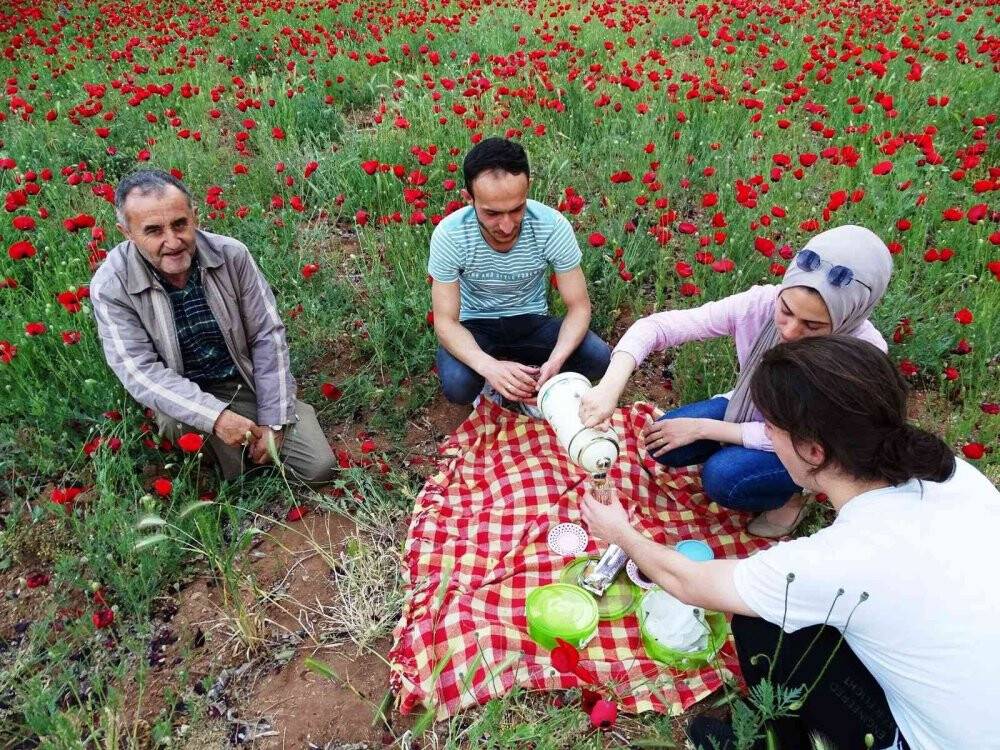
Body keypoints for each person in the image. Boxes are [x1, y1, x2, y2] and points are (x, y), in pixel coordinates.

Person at [582, 336, 1000, 750]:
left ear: (814, 451)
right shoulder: (953, 474)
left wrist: (621, 533)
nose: (765, 435)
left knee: (761, 624)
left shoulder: (843, 557)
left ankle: (775, 742)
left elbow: (695, 583)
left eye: (770, 428)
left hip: (928, 740)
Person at [580, 224, 893, 537]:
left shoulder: (861, 355)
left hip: (809, 445)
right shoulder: (760, 304)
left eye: (812, 326)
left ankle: (794, 497)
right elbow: (658, 328)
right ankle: (741, 459)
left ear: (850, 314)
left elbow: (809, 440)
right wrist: (610, 386)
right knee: (662, 443)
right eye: (786, 311)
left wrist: (702, 428)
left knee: (724, 478)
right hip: (751, 409)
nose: (789, 331)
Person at [90, 169, 336, 483]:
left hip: (243, 380)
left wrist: (275, 422)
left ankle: (251, 448)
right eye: (153, 231)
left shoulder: (231, 255)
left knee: (319, 467)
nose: (172, 241)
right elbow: (140, 371)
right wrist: (215, 417)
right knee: (176, 423)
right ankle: (231, 467)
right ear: (127, 232)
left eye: (180, 224)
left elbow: (267, 336)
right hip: (182, 394)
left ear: (195, 216)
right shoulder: (111, 285)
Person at [428, 137, 611, 410]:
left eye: (516, 209)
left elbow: (579, 307)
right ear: (468, 199)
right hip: (476, 326)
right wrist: (488, 366)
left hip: (531, 321)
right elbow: (445, 322)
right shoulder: (450, 234)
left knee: (598, 357)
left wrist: (556, 361)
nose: (506, 225)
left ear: (528, 189)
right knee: (458, 384)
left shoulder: (552, 226)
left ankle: (539, 382)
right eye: (492, 213)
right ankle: (493, 380)